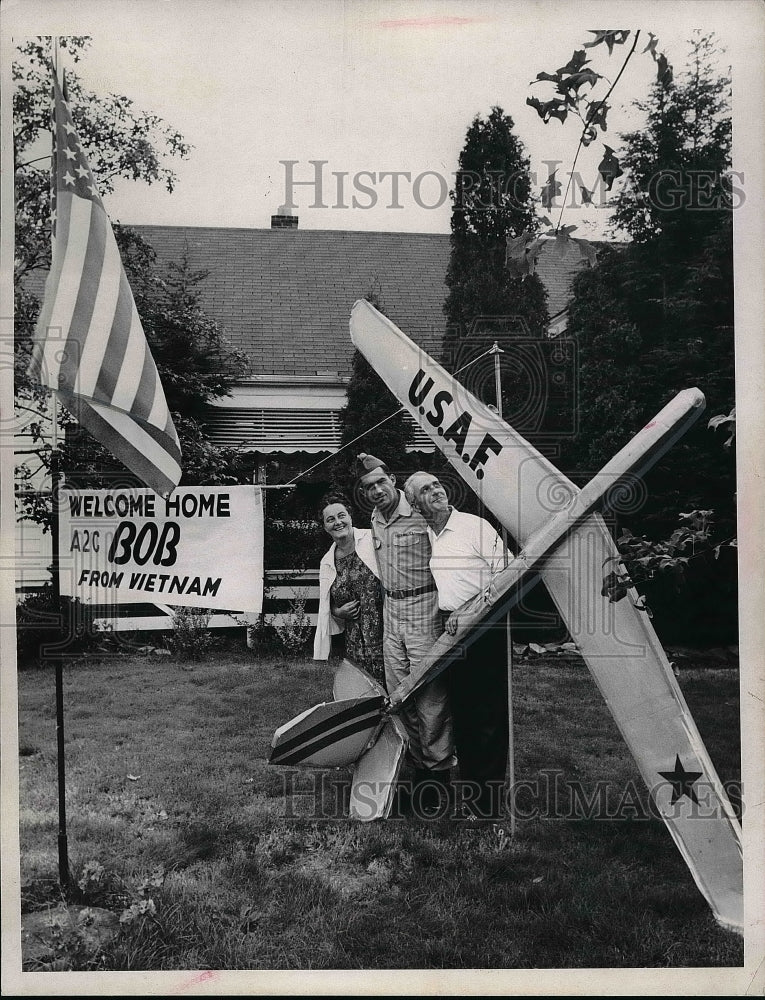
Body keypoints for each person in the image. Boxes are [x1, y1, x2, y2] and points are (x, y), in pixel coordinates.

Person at [404, 471, 510, 820]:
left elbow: (508, 574)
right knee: (463, 712)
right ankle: (473, 795)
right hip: (454, 631)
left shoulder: (473, 526)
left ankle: (490, 804)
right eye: (425, 490)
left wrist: (468, 611)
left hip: (486, 624)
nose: (435, 491)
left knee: (488, 714)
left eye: (436, 485)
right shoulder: (432, 535)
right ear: (416, 504)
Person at [356, 453, 455, 810]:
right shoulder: (375, 519)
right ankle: (414, 768)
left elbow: (451, 542)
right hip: (391, 610)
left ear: (393, 479)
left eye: (381, 482)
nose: (377, 490)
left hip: (423, 607)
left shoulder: (418, 512)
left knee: (430, 693)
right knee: (400, 693)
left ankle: (438, 776)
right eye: (369, 487)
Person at [313, 492, 385, 685]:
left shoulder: (373, 540)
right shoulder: (327, 562)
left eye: (341, 515)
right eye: (330, 519)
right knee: (365, 691)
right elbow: (329, 604)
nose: (337, 522)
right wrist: (338, 611)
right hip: (355, 641)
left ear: (350, 517)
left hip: (387, 633)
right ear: (325, 527)